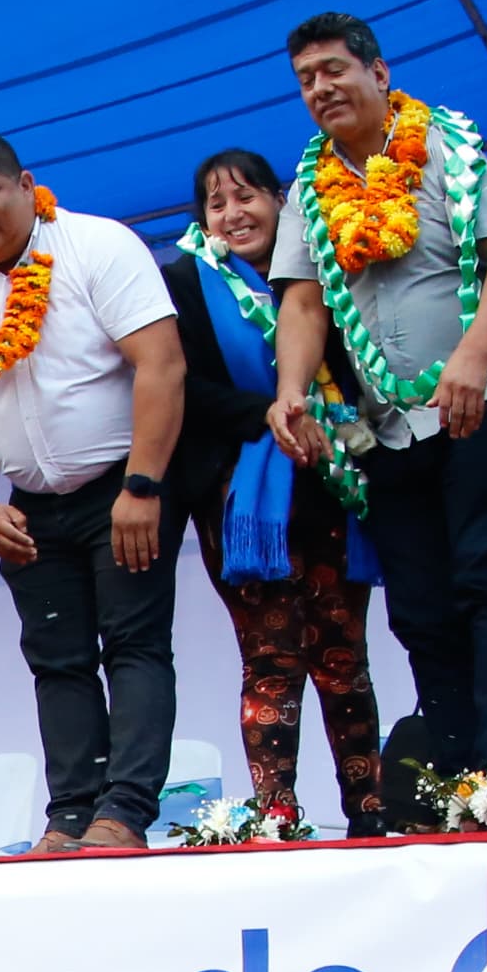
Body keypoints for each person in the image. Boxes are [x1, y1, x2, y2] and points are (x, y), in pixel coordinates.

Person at [265, 19, 487, 797]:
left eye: (333, 69)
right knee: (420, 609)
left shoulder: (450, 147)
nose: (320, 88)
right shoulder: (308, 187)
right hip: (387, 431)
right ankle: (457, 784)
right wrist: (292, 390)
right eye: (305, 79)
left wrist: (473, 355)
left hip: (483, 405)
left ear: (380, 72)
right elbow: (302, 302)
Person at [0, 134, 187, 851]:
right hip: (27, 503)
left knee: (134, 644)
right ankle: (71, 815)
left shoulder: (97, 246)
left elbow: (161, 364)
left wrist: (143, 485)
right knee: (57, 659)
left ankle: (125, 813)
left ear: (26, 185)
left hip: (124, 485)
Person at [166, 146, 382, 836]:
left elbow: (356, 364)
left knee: (344, 659)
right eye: (217, 203)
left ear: (280, 201)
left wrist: (319, 418)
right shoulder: (184, 282)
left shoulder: (322, 269)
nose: (233, 214)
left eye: (247, 196)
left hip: (328, 478)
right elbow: (182, 387)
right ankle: (276, 820)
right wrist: (270, 415)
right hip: (240, 497)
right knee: (270, 660)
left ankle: (369, 816)